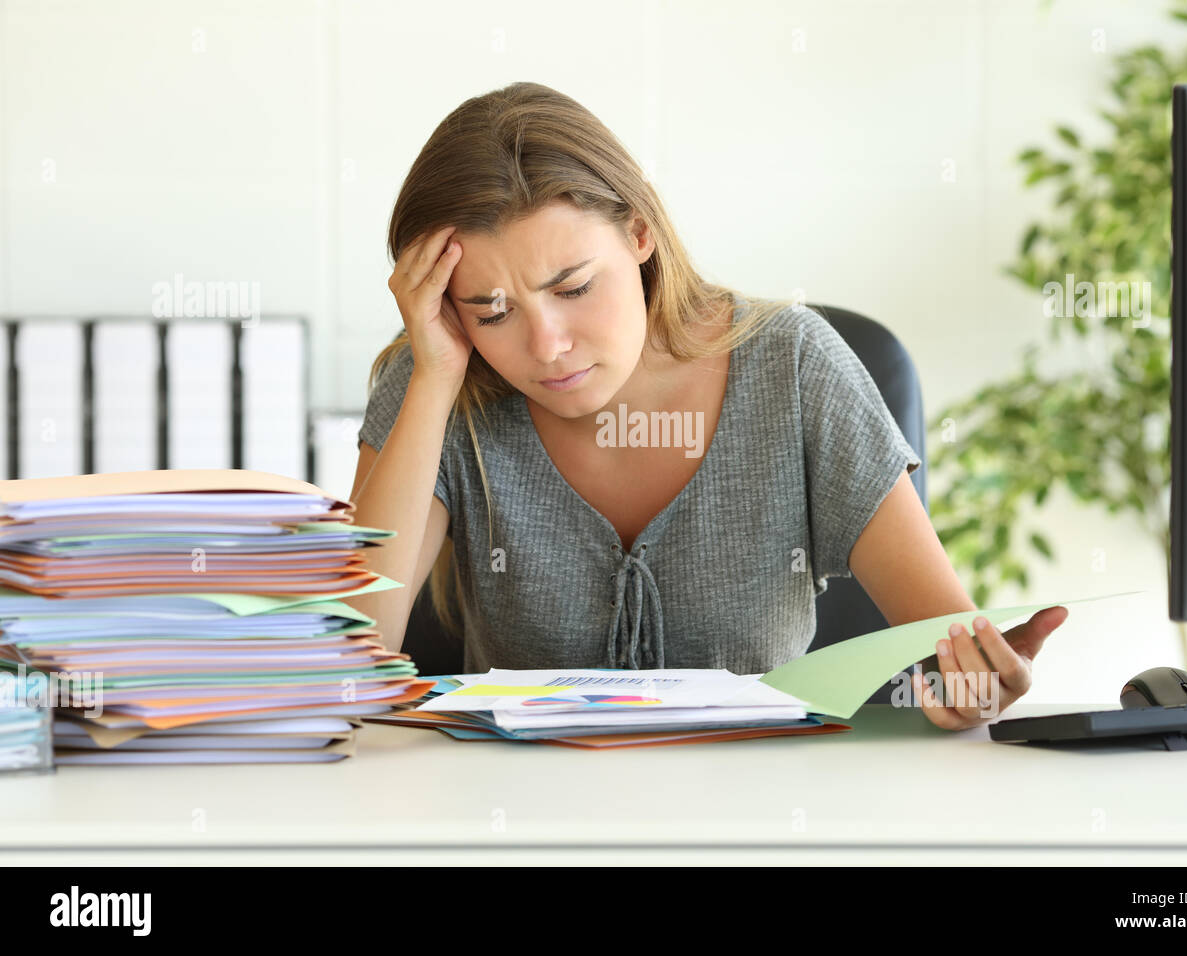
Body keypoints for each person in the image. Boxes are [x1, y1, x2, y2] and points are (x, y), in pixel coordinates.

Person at [346, 81, 1067, 731]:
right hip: (523, 818)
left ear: (639, 233)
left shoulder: (790, 365)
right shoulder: (436, 381)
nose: (548, 345)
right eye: (491, 309)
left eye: (572, 289)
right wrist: (433, 378)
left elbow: (945, 645)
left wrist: (973, 691)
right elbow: (350, 666)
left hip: (763, 813)